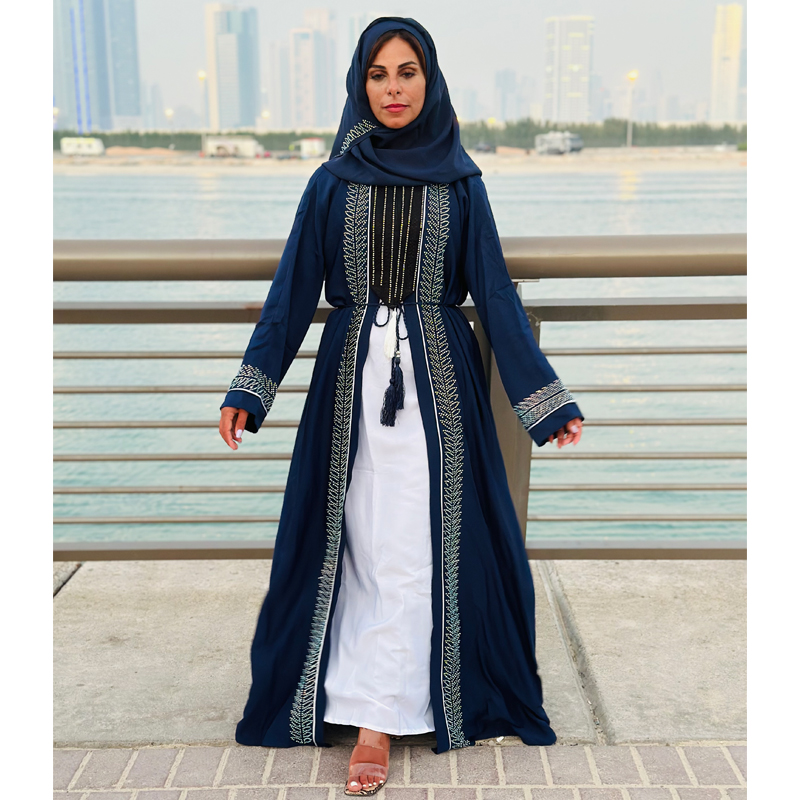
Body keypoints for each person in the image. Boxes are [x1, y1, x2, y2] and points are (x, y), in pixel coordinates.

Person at [218, 16, 583, 797]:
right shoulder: (331, 182)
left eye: (407, 72)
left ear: (430, 80)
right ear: (361, 85)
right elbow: (292, 292)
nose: (393, 89)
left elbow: (495, 295)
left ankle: (401, 701)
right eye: (378, 74)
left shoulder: (461, 182)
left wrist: (544, 402)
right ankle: (370, 714)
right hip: (349, 387)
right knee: (356, 540)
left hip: (439, 390)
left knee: (420, 542)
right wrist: (252, 387)